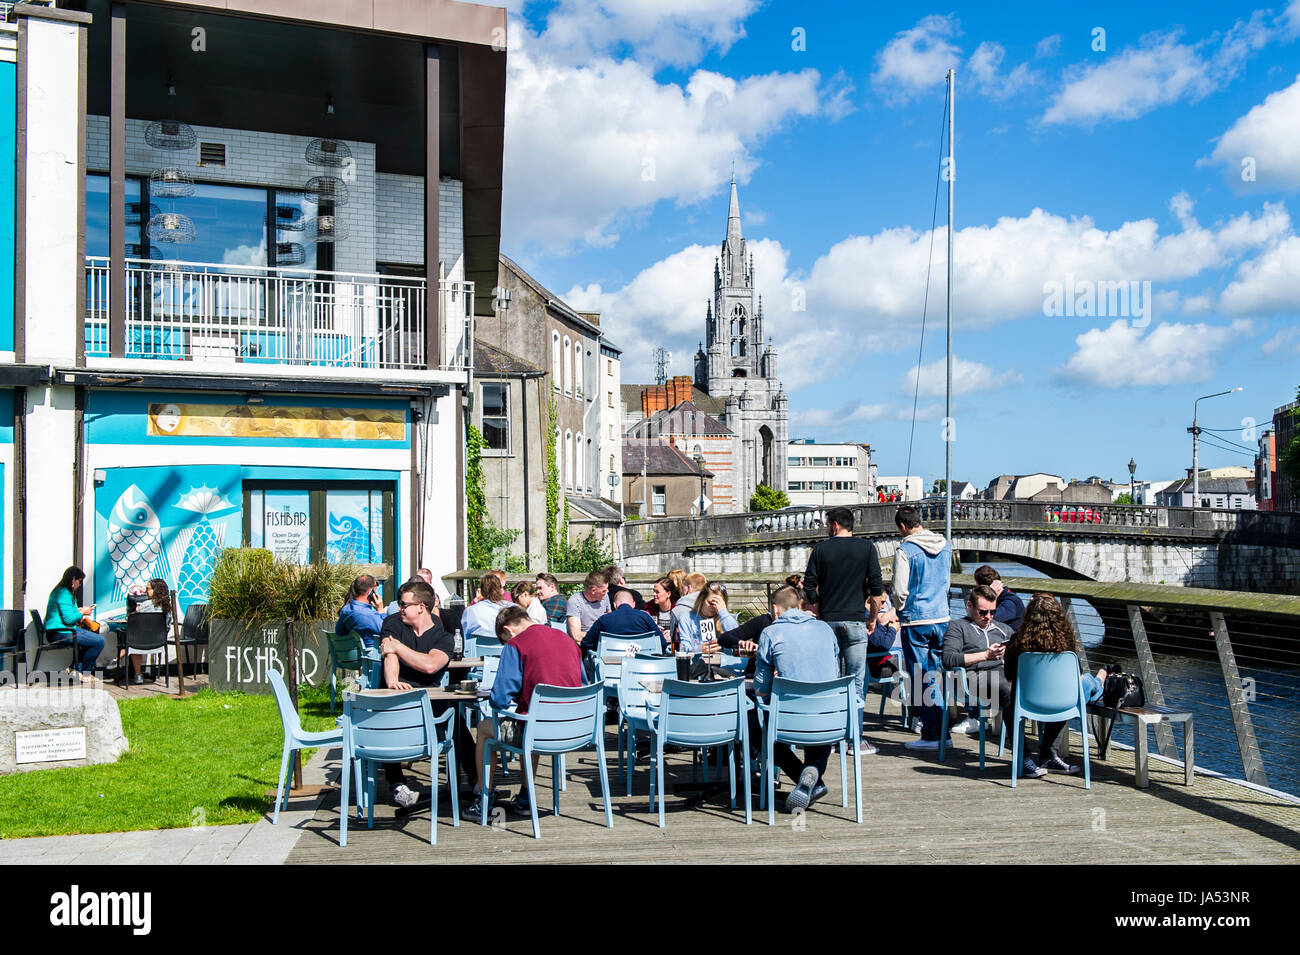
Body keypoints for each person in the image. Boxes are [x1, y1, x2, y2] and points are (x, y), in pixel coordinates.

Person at [469, 605, 585, 817]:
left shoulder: (516, 645)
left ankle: (484, 796)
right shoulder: (567, 639)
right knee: (530, 716)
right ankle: (525, 796)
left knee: (485, 729)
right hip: (575, 728)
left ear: (508, 630)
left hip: (539, 731)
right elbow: (583, 684)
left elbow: (498, 700)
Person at [376, 579, 476, 806]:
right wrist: (392, 681)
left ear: (421, 607)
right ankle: (397, 785)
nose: (399, 608)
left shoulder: (443, 635)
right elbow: (388, 653)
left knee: (457, 721)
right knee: (389, 716)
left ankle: (476, 780)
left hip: (431, 700)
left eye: (404, 604)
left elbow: (431, 665)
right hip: (398, 697)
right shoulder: (393, 623)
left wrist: (399, 648)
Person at [802, 506, 885, 754]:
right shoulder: (867, 548)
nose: (827, 528)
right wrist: (872, 618)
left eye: (828, 524)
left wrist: (816, 607)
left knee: (831, 680)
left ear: (835, 525)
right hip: (856, 620)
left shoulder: (821, 549)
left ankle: (831, 734)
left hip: (828, 621)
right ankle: (854, 740)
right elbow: (877, 590)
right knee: (856, 682)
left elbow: (809, 584)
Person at [751, 585, 841, 813]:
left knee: (755, 725)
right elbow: (835, 673)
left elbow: (761, 689)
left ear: (775, 608)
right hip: (831, 718)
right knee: (816, 718)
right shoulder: (824, 629)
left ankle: (807, 776)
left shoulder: (771, 633)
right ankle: (812, 772)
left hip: (791, 719)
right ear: (800, 605)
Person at [891, 506, 952, 752]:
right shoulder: (945, 544)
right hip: (942, 617)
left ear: (903, 527)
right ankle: (943, 730)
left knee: (921, 677)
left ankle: (931, 734)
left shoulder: (905, 550)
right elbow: (946, 581)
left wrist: (900, 608)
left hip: (916, 620)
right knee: (936, 675)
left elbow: (899, 590)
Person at [1004, 593, 1085, 778]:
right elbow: (1077, 675)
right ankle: (1048, 752)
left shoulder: (1017, 642)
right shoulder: (1066, 645)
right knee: (1079, 689)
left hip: (1028, 704)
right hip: (1063, 704)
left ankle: (1023, 757)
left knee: (1009, 706)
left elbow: (1009, 676)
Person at [941, 585, 1015, 736]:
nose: (988, 617)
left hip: (1002, 673)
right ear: (969, 606)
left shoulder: (1003, 629)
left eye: (993, 612)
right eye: (983, 612)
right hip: (974, 676)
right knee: (1008, 688)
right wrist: (986, 655)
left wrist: (1009, 653)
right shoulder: (958, 627)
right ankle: (1020, 748)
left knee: (1034, 684)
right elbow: (948, 659)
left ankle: (1047, 748)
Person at [45, 566, 103, 680]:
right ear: (73, 579)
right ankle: (81, 672)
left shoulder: (61, 592)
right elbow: (68, 619)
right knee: (99, 641)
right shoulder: (64, 593)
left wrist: (79, 612)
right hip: (59, 632)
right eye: (80, 581)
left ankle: (76, 671)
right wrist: (82, 613)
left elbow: (69, 616)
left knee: (94, 639)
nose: (80, 585)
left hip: (62, 630)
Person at [580, 590, 665, 656]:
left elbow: (586, 643)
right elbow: (662, 643)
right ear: (634, 604)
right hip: (641, 665)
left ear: (614, 605)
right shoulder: (645, 617)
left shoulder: (604, 619)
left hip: (610, 667)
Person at [124, 577, 175, 684]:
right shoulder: (167, 607)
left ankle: (137, 674)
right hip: (159, 642)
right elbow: (167, 626)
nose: (146, 591)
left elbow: (137, 624)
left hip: (140, 642)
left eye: (148, 589)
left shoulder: (144, 605)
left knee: (130, 640)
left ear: (156, 590)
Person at [674, 581, 737, 653]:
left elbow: (737, 640)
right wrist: (699, 649)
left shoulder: (726, 619)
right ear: (702, 599)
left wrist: (723, 612)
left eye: (718, 603)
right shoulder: (687, 618)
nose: (714, 607)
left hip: (724, 661)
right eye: (711, 603)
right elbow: (682, 648)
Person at [336, 574, 385, 648]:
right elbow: (387, 632)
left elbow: (339, 632)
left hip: (354, 656)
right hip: (372, 655)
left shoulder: (346, 609)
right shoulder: (368, 614)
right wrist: (381, 610)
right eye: (375, 591)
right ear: (370, 592)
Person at [461, 572, 511, 644]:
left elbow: (463, 636)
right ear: (500, 589)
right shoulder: (513, 608)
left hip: (476, 653)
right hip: (506, 651)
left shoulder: (470, 611)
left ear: (482, 591)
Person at [974, 565, 1025, 633]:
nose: (975, 590)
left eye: (977, 587)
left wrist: (989, 596)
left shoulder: (1010, 603)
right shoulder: (1002, 598)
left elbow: (985, 621)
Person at [566, 570, 610, 643]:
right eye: (604, 591)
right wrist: (602, 636)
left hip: (603, 641)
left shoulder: (605, 597)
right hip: (583, 644)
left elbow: (610, 621)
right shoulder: (575, 601)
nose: (607, 592)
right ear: (593, 591)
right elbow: (576, 636)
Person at [648, 575, 681, 645]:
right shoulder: (648, 607)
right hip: (655, 644)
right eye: (654, 591)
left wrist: (673, 632)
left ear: (668, 594)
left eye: (657, 592)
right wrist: (653, 628)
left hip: (674, 645)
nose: (654, 594)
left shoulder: (678, 608)